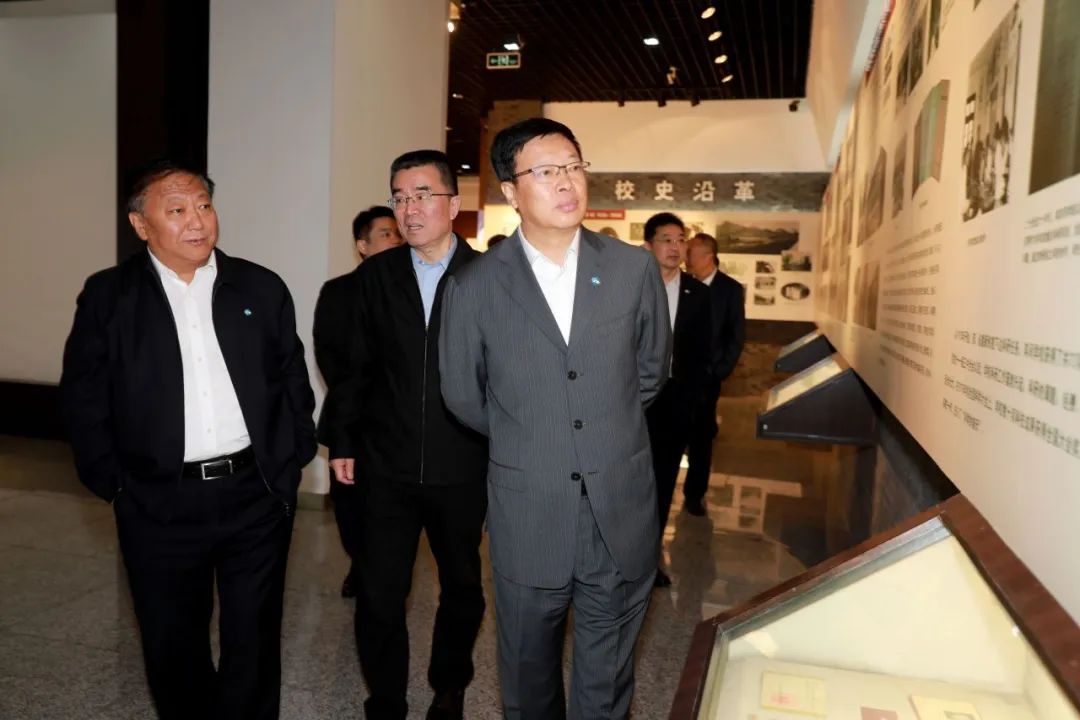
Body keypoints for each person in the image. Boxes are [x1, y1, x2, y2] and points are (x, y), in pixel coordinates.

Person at [60, 159, 317, 720]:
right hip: (158, 499)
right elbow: (84, 398)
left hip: (255, 492)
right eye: (176, 210)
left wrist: (291, 457)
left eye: (203, 205)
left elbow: (291, 377)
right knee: (172, 641)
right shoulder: (109, 296)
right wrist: (116, 485)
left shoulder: (259, 286)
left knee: (254, 636)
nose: (197, 221)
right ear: (140, 224)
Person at [440, 118, 671, 720]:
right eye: (545, 172)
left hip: (619, 508)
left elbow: (649, 374)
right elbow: (463, 396)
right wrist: (536, 432)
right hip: (530, 511)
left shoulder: (632, 269)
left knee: (607, 682)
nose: (567, 182)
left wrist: (595, 425)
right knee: (527, 676)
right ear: (511, 192)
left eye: (573, 166)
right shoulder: (474, 286)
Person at [321, 150, 487, 720]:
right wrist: (343, 440)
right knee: (379, 591)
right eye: (400, 197)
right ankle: (385, 697)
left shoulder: (489, 276)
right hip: (385, 463)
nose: (409, 209)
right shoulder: (376, 277)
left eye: (422, 195)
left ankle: (450, 685)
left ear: (453, 205)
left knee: (462, 586)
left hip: (463, 464)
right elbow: (354, 367)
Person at [313, 205, 402, 598]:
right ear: (362, 246)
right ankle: (361, 563)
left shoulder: (415, 290)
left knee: (393, 509)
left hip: (402, 425)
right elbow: (329, 356)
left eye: (398, 233)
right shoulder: (338, 292)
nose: (396, 240)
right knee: (349, 505)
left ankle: (380, 572)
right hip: (353, 420)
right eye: (385, 233)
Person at [642, 213, 713, 588]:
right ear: (648, 246)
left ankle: (648, 561)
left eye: (680, 240)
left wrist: (693, 401)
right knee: (625, 482)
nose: (675, 247)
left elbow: (703, 354)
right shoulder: (630, 288)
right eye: (666, 239)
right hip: (633, 399)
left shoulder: (698, 295)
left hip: (674, 401)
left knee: (664, 479)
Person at [683, 232, 746, 516]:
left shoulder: (729, 289)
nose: (686, 258)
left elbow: (736, 334)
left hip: (707, 378)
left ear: (708, 257)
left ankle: (694, 494)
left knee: (701, 437)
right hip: (678, 375)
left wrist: (720, 370)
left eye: (691, 253)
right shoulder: (684, 285)